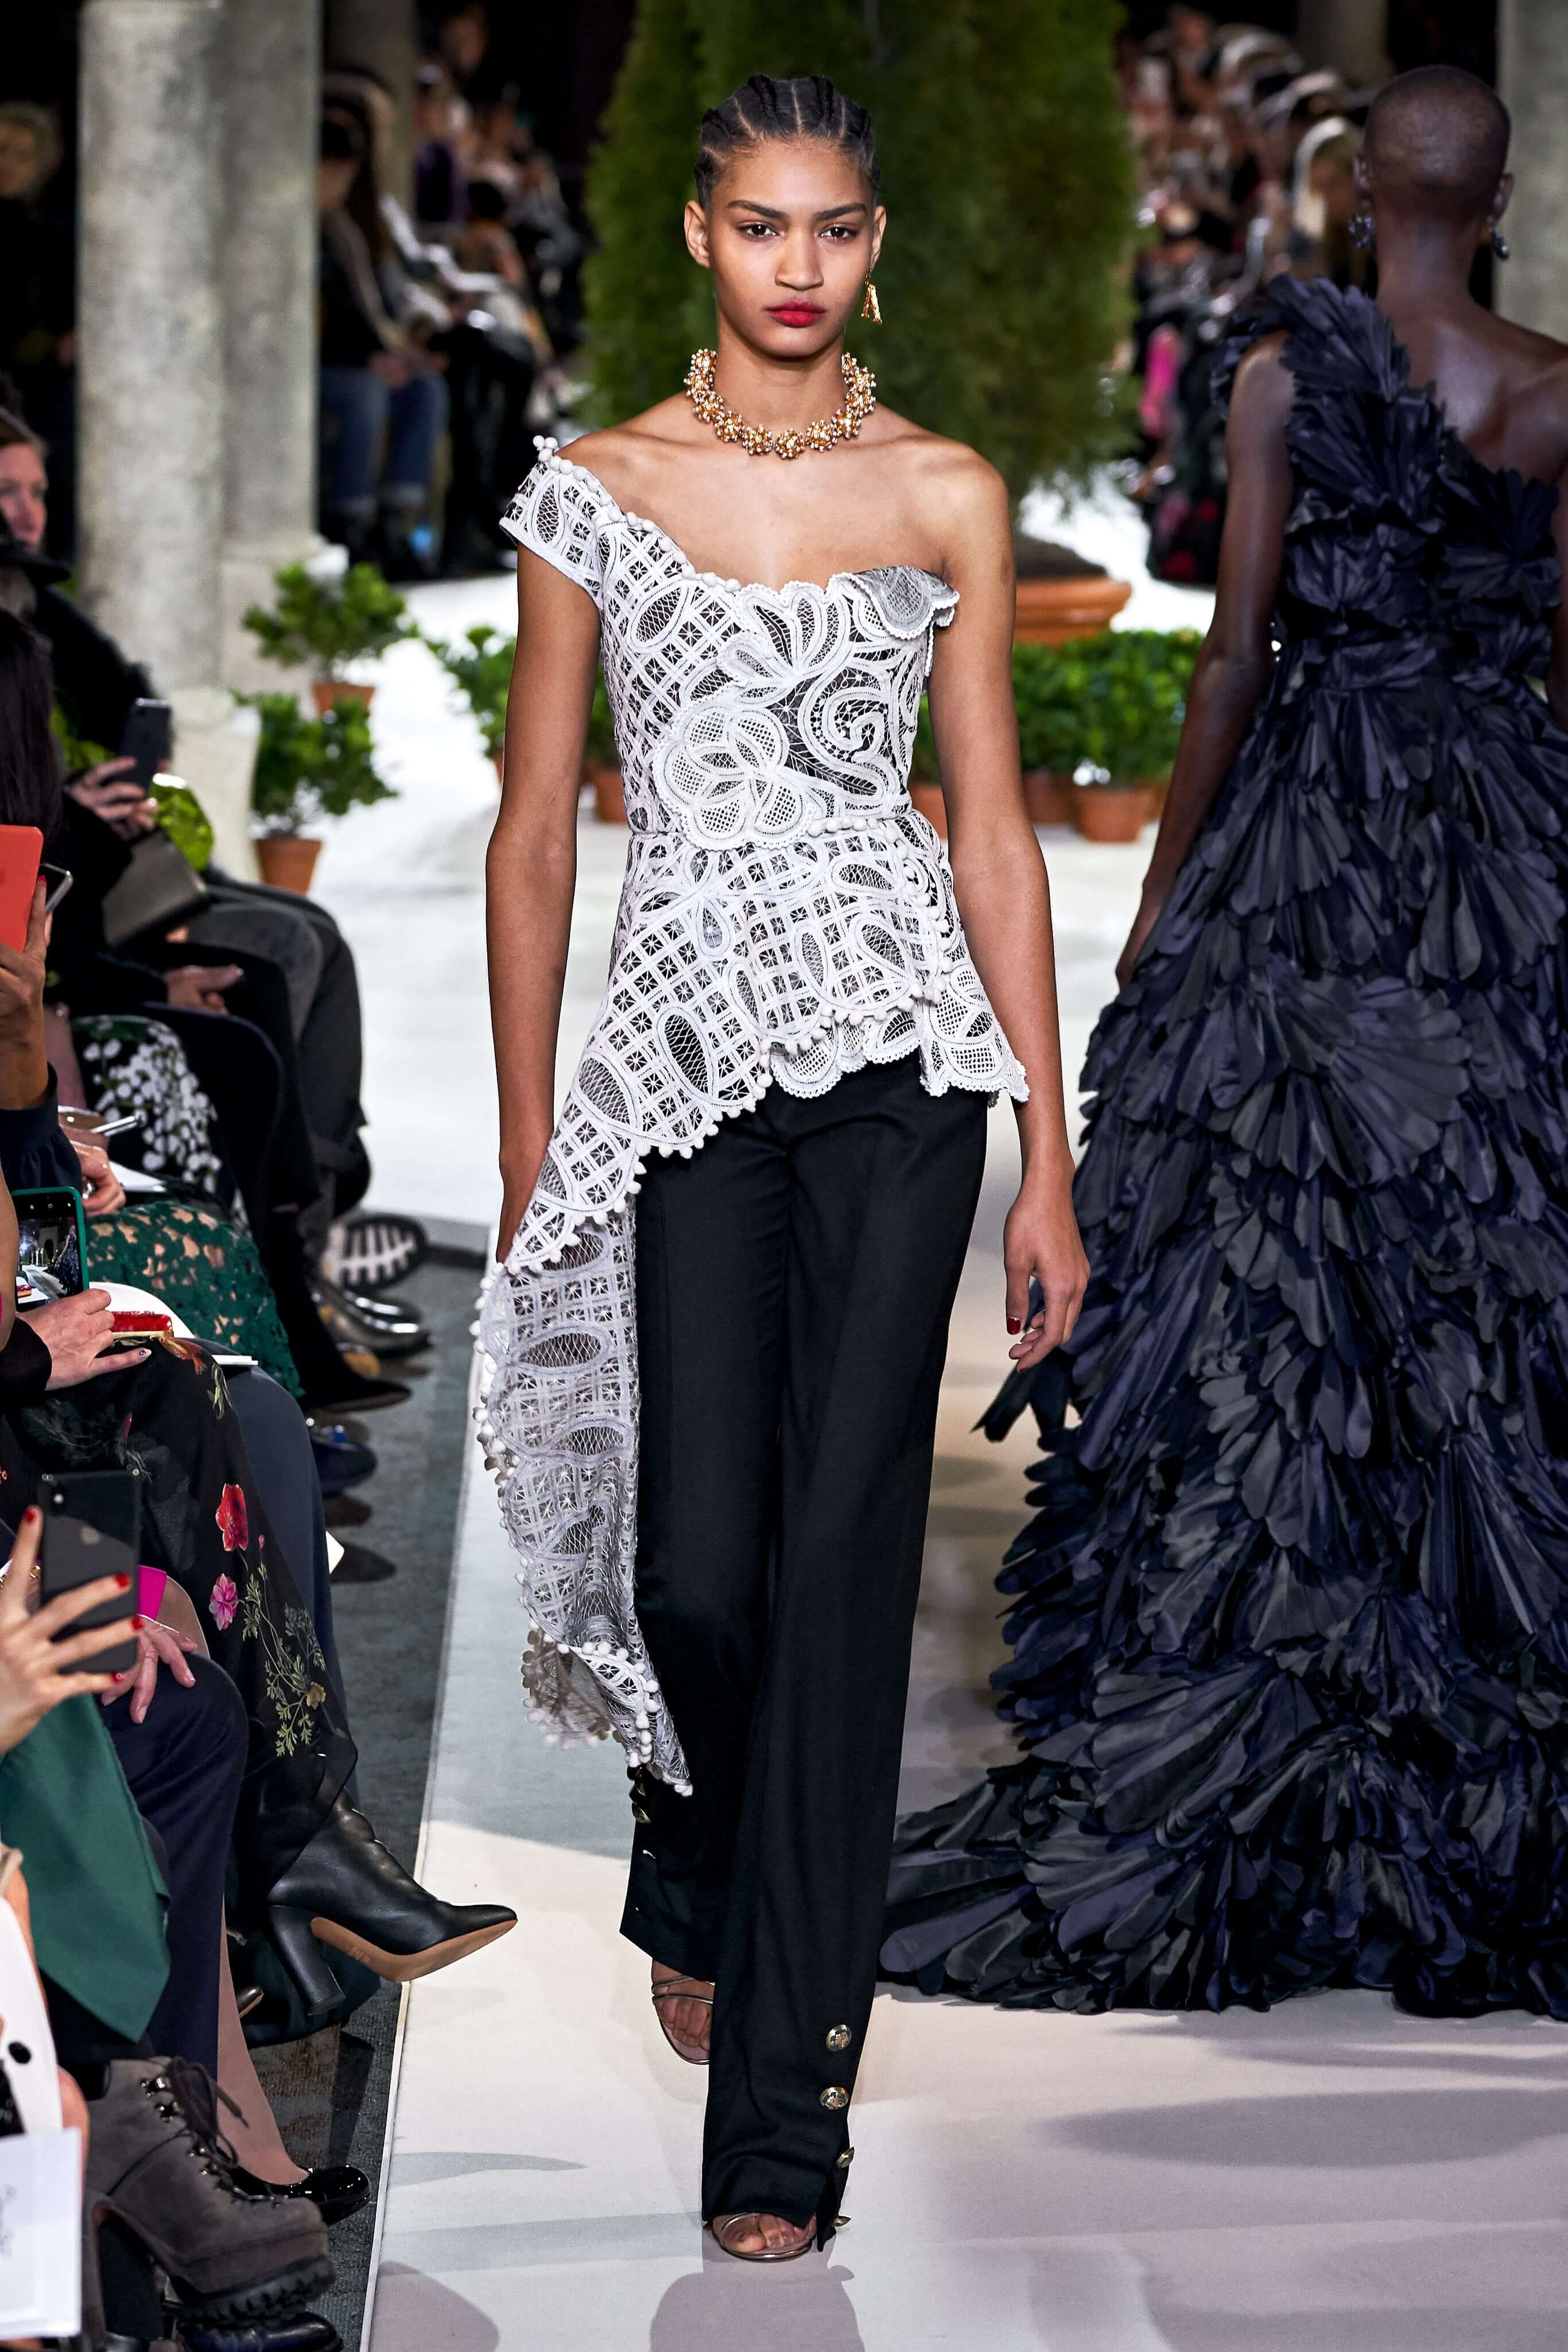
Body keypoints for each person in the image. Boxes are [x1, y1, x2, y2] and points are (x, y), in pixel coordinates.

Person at [885, 67, 1568, 2023]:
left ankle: (1265, 1743)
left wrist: (1164, 898)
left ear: (1354, 198)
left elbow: (1230, 658)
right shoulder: (1552, 390)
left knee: (1278, 1285)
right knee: (1475, 1281)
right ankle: (1453, 1754)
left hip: (1306, 850)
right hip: (1495, 859)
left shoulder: (1283, 375)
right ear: (1497, 202)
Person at [482, 71, 1086, 2260]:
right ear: (698, 235)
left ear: (875, 240)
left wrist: (1046, 1148)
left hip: (902, 1063)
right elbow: (536, 834)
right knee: (695, 1580)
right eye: (760, 225)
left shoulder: (941, 490)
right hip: (678, 1075)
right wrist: (537, 1137)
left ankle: (780, 2112)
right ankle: (695, 1844)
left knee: (838, 1562)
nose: (797, 264)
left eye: (832, 227)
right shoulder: (594, 487)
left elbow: (991, 829)